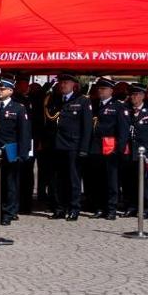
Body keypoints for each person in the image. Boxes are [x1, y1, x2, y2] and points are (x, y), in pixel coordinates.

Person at [42, 75, 94, 220]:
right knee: (57, 179)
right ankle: (59, 208)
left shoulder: (82, 100)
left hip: (73, 146)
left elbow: (87, 127)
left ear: (73, 84)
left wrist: (84, 148)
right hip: (56, 146)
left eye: (66, 83)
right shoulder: (54, 99)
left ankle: (74, 208)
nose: (63, 85)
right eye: (61, 83)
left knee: (73, 179)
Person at [0, 80, 32, 224]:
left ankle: (9, 213)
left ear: (11, 91)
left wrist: (23, 153)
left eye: (3, 89)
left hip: (10, 150)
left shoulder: (18, 108)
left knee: (10, 183)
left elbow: (24, 133)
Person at [86, 78, 128, 220]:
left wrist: (119, 149)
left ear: (111, 91)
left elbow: (123, 130)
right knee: (97, 180)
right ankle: (99, 207)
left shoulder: (118, 107)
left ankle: (111, 209)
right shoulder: (94, 105)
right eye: (99, 89)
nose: (100, 91)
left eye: (104, 89)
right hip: (96, 148)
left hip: (111, 148)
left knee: (111, 181)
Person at [121, 84, 148, 218]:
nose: (134, 97)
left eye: (137, 94)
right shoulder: (126, 110)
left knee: (146, 183)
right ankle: (132, 206)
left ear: (143, 96)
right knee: (130, 181)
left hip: (146, 154)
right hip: (129, 152)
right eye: (132, 94)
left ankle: (146, 207)